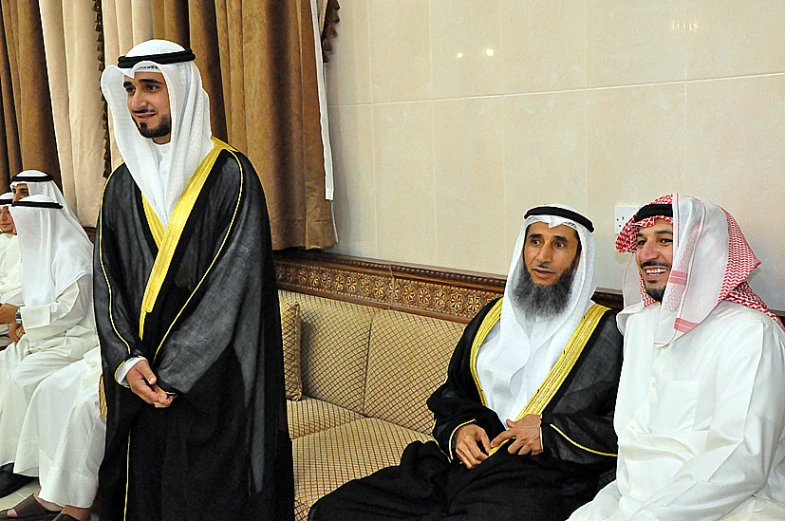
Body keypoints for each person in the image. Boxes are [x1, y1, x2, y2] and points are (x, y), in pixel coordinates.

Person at [310, 205, 624, 521]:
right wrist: (462, 429)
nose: (543, 256)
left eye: (559, 244)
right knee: (336, 510)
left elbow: (627, 426)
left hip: (537, 478)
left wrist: (550, 432)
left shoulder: (607, 333)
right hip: (459, 465)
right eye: (535, 241)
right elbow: (454, 393)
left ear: (578, 259)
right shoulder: (492, 318)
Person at [96, 39, 293, 521]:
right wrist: (126, 362)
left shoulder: (231, 175)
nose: (137, 102)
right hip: (141, 384)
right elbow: (106, 280)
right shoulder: (123, 185)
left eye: (151, 87)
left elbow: (233, 286)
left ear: (181, 92)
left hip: (215, 387)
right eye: (130, 89)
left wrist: (171, 372)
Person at [568, 194, 785, 521]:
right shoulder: (640, 325)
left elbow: (742, 461)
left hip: (733, 508)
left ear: (703, 251)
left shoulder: (750, 333)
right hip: (633, 500)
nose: (647, 254)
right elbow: (632, 445)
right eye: (641, 241)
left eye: (665, 240)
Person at [0, 195, 96, 498]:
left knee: (23, 378)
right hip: (48, 334)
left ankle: (18, 464)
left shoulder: (72, 252)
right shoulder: (42, 250)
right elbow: (37, 297)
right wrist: (22, 321)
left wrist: (18, 314)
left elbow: (72, 310)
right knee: (6, 365)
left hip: (79, 337)